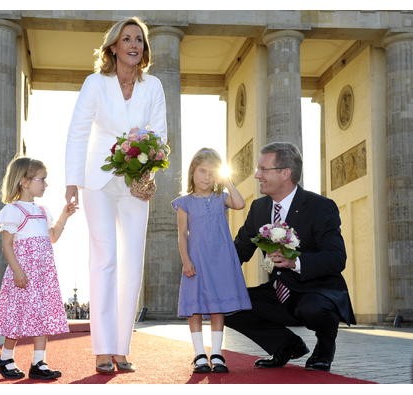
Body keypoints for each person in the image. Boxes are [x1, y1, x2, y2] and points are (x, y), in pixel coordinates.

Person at [64, 16, 167, 374]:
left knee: (131, 261)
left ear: (145, 48)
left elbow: (159, 134)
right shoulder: (95, 83)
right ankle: (102, 348)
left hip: (137, 182)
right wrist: (72, 181)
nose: (134, 44)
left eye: (139, 39)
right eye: (127, 39)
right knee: (104, 258)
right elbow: (78, 131)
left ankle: (122, 348)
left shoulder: (153, 86)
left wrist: (149, 172)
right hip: (98, 180)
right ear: (113, 46)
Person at [225, 142, 356, 372]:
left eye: (263, 169)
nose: (257, 175)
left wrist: (295, 262)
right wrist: (206, 270)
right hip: (279, 290)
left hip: (317, 290)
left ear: (285, 173)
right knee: (227, 305)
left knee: (314, 308)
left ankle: (324, 348)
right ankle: (286, 346)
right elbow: (240, 250)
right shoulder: (258, 208)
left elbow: (337, 257)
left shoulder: (321, 207)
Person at [0, 156, 78, 380]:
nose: (46, 184)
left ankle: (39, 362)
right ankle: (5, 358)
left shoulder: (42, 211)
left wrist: (64, 216)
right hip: (24, 273)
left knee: (42, 316)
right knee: (18, 316)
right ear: (24, 181)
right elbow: (7, 246)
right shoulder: (13, 211)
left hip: (43, 274)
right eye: (42, 179)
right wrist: (18, 271)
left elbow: (53, 237)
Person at [172, 148, 252, 374]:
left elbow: (240, 204)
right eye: (202, 171)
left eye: (211, 172)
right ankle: (199, 354)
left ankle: (217, 353)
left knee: (218, 308)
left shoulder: (221, 198)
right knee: (195, 307)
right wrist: (185, 260)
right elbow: (182, 234)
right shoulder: (183, 203)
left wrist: (228, 181)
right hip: (196, 259)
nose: (206, 177)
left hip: (221, 260)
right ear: (192, 172)